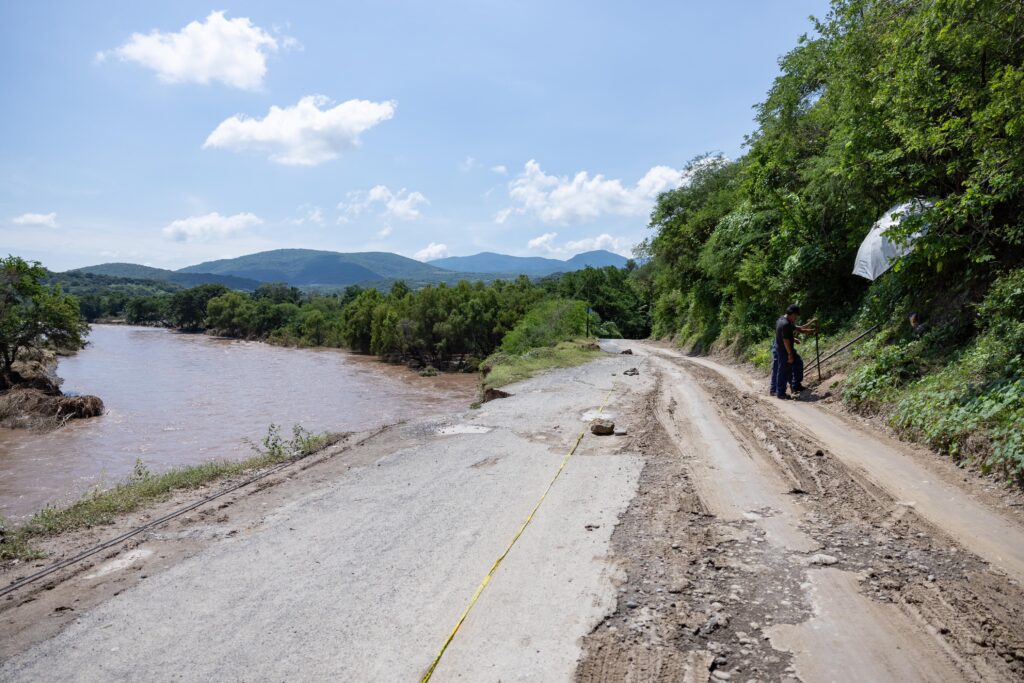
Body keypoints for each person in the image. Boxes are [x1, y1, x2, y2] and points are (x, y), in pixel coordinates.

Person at [771, 304, 816, 400]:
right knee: (783, 370)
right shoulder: (785, 324)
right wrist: (790, 355)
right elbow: (786, 340)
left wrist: (811, 330)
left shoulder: (783, 320)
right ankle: (780, 392)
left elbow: (798, 328)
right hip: (784, 351)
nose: (796, 318)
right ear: (791, 314)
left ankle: (795, 385)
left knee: (798, 363)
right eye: (795, 316)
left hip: (784, 349)